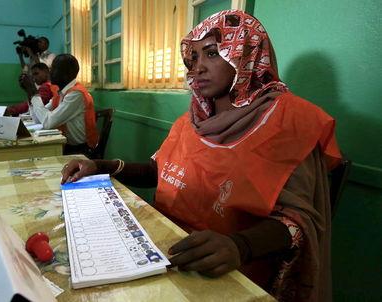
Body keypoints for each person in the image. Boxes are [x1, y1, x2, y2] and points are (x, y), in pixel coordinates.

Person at [61, 10, 341, 302]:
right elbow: (160, 170)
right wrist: (100, 166)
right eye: (193, 58)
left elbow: (298, 222)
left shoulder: (289, 120)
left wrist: (239, 246)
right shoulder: (194, 118)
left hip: (234, 268)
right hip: (170, 248)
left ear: (247, 53)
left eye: (212, 53)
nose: (197, 68)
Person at [25, 54, 98, 155]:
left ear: (66, 74)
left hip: (81, 150)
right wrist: (30, 93)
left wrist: (34, 93)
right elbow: (39, 119)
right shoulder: (61, 92)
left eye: (53, 69)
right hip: (67, 146)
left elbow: (48, 123)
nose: (50, 73)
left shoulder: (76, 94)